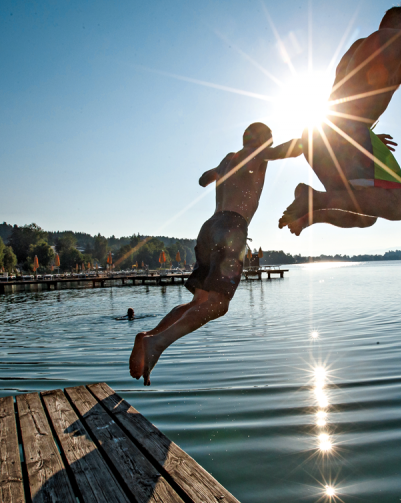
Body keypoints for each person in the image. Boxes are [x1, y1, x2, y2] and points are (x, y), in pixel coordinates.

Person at [278, 4, 401, 235]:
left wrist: (365, 137)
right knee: (400, 206)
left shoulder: (355, 48)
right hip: (348, 132)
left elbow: (344, 100)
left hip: (318, 133)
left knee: (366, 215)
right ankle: (313, 200)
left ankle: (307, 216)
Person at [129, 122, 301, 385]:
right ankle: (157, 343)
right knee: (218, 305)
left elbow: (202, 179)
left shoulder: (228, 159)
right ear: (264, 140)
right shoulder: (260, 153)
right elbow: (292, 149)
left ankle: (148, 335)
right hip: (232, 227)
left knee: (199, 302)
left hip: (209, 228)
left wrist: (220, 172)